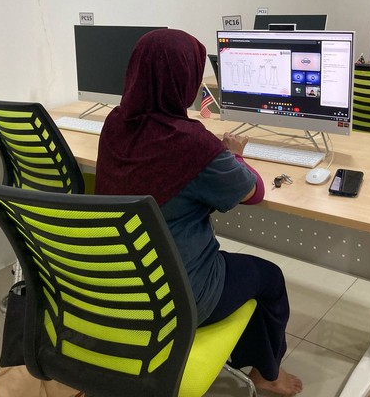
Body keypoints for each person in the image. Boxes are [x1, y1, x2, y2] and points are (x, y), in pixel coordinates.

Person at [95, 28, 302, 396]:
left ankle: (251, 356)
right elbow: (252, 192)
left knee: (239, 269)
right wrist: (233, 154)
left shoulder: (115, 124)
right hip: (177, 298)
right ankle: (267, 373)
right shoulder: (192, 143)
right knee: (269, 277)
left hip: (119, 286)